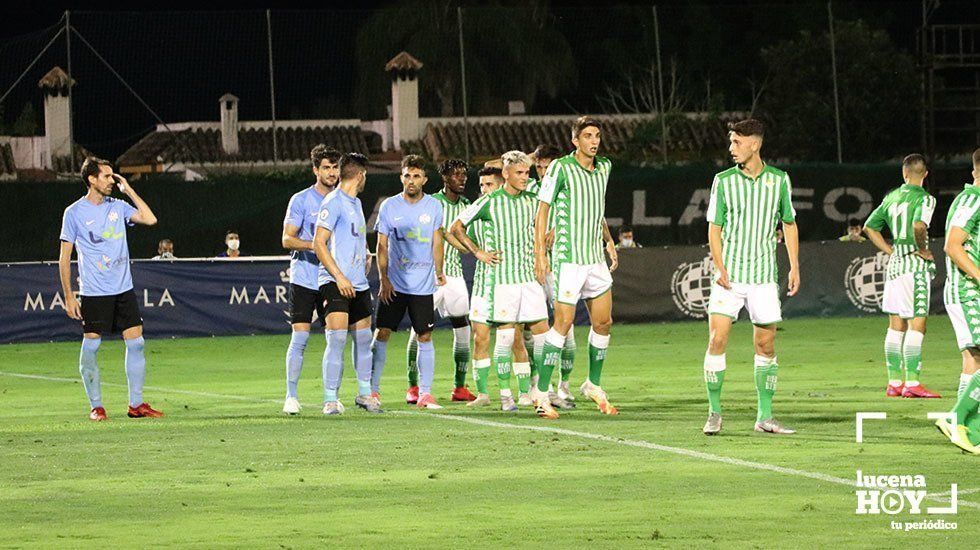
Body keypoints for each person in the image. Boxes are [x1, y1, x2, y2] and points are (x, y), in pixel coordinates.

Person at [702, 118, 800, 436]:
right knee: (717, 340)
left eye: (737, 142)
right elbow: (714, 229)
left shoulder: (780, 180)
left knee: (766, 344)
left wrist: (794, 266)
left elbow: (789, 223)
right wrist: (720, 267)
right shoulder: (723, 181)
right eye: (731, 142)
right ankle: (715, 412)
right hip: (728, 278)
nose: (732, 148)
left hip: (763, 278)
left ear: (754, 143)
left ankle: (765, 416)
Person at [58, 157, 162, 421]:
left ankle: (136, 405)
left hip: (123, 289)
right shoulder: (74, 213)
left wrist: (129, 189)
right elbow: (64, 257)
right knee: (91, 348)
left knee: (136, 343)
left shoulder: (119, 206)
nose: (112, 181)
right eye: (107, 176)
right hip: (94, 292)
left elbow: (150, 219)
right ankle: (96, 406)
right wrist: (69, 295)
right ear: (92, 179)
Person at [453, 151, 556, 416]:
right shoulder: (490, 202)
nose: (525, 178)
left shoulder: (534, 201)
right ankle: (505, 395)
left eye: (527, 173)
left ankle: (539, 391)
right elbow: (456, 227)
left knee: (545, 336)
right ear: (506, 174)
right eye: (520, 173)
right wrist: (477, 252)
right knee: (506, 338)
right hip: (502, 282)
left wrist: (543, 250)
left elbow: (551, 223)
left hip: (530, 280)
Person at [534, 116, 619, 416]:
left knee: (603, 322)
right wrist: (540, 254)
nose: (594, 141)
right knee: (563, 324)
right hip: (569, 259)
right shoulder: (560, 168)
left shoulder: (605, 168)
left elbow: (598, 210)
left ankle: (592, 384)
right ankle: (542, 393)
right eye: (587, 136)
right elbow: (542, 211)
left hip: (595, 258)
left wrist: (609, 241)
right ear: (575, 140)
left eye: (597, 135)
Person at [370, 155, 447, 410]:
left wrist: (439, 271)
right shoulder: (390, 207)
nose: (411, 181)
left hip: (422, 285)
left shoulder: (434, 206)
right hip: (395, 284)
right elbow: (381, 245)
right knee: (381, 333)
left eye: (416, 176)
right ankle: (372, 390)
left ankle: (425, 394)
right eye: (407, 175)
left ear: (424, 179)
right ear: (401, 177)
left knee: (425, 335)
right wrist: (383, 278)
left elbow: (437, 241)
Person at [863, 154, 940, 398]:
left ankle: (895, 382)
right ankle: (913, 384)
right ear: (924, 175)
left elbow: (869, 227)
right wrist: (924, 249)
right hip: (915, 267)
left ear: (904, 173)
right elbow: (919, 226)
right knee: (917, 324)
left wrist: (889, 249)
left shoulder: (891, 197)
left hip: (895, 267)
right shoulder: (926, 199)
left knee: (896, 327)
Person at [405, 158, 477, 404]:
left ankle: (459, 387)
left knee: (463, 329)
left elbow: (469, 241)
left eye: (464, 174)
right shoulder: (431, 202)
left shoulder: (468, 205)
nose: (462, 178)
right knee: (419, 330)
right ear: (445, 178)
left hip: (455, 276)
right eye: (456, 174)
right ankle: (413, 387)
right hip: (429, 278)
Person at [313, 153, 379, 415]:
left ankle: (364, 394)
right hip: (334, 282)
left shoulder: (357, 203)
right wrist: (339, 277)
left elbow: (354, 237)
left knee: (363, 340)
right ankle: (330, 398)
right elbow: (319, 243)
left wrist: (365, 253)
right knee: (338, 339)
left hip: (359, 284)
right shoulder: (333, 201)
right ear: (360, 175)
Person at [280, 144, 341, 414]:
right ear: (315, 170)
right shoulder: (301, 200)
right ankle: (291, 396)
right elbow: (286, 238)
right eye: (326, 167)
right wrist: (315, 245)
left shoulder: (344, 200)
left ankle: (331, 398)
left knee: (336, 338)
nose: (331, 172)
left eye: (335, 167)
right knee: (301, 337)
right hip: (305, 277)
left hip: (332, 278)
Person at [935, 148, 980, 454]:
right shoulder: (973, 200)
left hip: (969, 290)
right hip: (967, 290)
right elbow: (953, 246)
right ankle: (956, 418)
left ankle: (969, 431)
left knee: (974, 360)